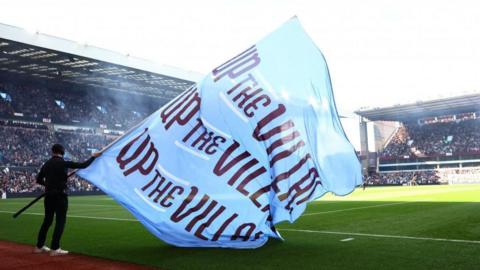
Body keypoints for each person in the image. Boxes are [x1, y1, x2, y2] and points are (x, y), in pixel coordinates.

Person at [33, 144, 101, 256]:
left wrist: (49, 185)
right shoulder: (64, 163)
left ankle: (39, 246)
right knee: (60, 221)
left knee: (47, 221)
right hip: (60, 196)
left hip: (49, 195)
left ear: (52, 151)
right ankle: (55, 248)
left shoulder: (47, 164)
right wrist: (93, 156)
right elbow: (83, 165)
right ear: (62, 152)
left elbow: (39, 180)